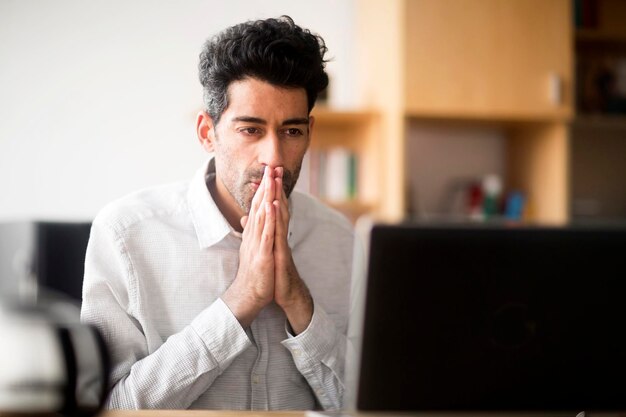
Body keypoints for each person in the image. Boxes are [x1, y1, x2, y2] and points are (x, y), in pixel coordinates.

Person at [80, 16, 354, 411]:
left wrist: (297, 300)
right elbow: (109, 408)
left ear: (309, 131)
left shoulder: (341, 239)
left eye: (291, 131)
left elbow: (367, 405)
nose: (273, 158)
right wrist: (240, 300)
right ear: (208, 132)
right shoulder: (126, 234)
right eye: (250, 130)